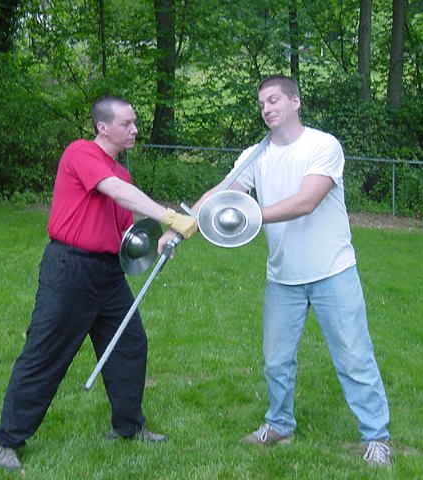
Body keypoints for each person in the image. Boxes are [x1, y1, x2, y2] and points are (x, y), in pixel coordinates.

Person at [162, 75, 391, 466]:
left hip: (332, 271)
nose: (267, 108)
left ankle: (376, 437)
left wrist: (249, 216)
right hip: (283, 277)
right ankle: (279, 425)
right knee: (276, 360)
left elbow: (306, 201)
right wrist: (181, 227)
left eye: (274, 100)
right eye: (262, 103)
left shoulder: (323, 145)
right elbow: (222, 192)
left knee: (354, 357)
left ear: (295, 102)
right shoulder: (255, 155)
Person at [0, 96, 197, 470]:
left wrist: (160, 242)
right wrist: (169, 216)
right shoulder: (81, 152)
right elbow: (115, 192)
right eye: (126, 124)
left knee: (129, 345)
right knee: (46, 353)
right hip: (70, 270)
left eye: (135, 123)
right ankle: (7, 439)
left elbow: (125, 232)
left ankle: (128, 426)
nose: (134, 130)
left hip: (108, 273)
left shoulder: (123, 175)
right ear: (103, 127)